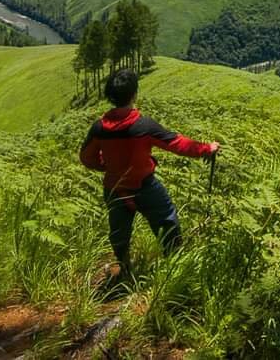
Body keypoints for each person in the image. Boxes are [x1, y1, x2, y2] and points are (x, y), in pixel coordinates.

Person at [79, 68, 219, 287]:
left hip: (114, 189)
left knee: (119, 232)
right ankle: (175, 266)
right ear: (134, 94)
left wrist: (107, 166)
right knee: (166, 219)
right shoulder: (144, 126)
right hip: (145, 187)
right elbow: (178, 144)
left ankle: (124, 268)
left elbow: (86, 158)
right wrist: (206, 148)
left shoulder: (99, 129)